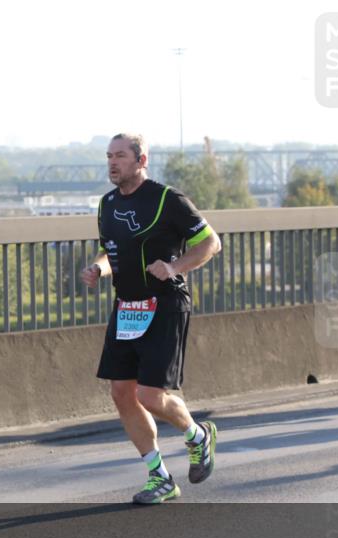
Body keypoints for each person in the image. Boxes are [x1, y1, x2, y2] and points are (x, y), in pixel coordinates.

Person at [80, 133, 222, 505]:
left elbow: (211, 243)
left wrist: (174, 266)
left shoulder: (167, 199)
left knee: (150, 394)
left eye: (121, 156)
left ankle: (197, 436)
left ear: (141, 161)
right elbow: (110, 250)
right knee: (121, 393)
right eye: (109, 156)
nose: (113, 163)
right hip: (127, 307)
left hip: (165, 304)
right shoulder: (107, 204)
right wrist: (97, 269)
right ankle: (159, 477)